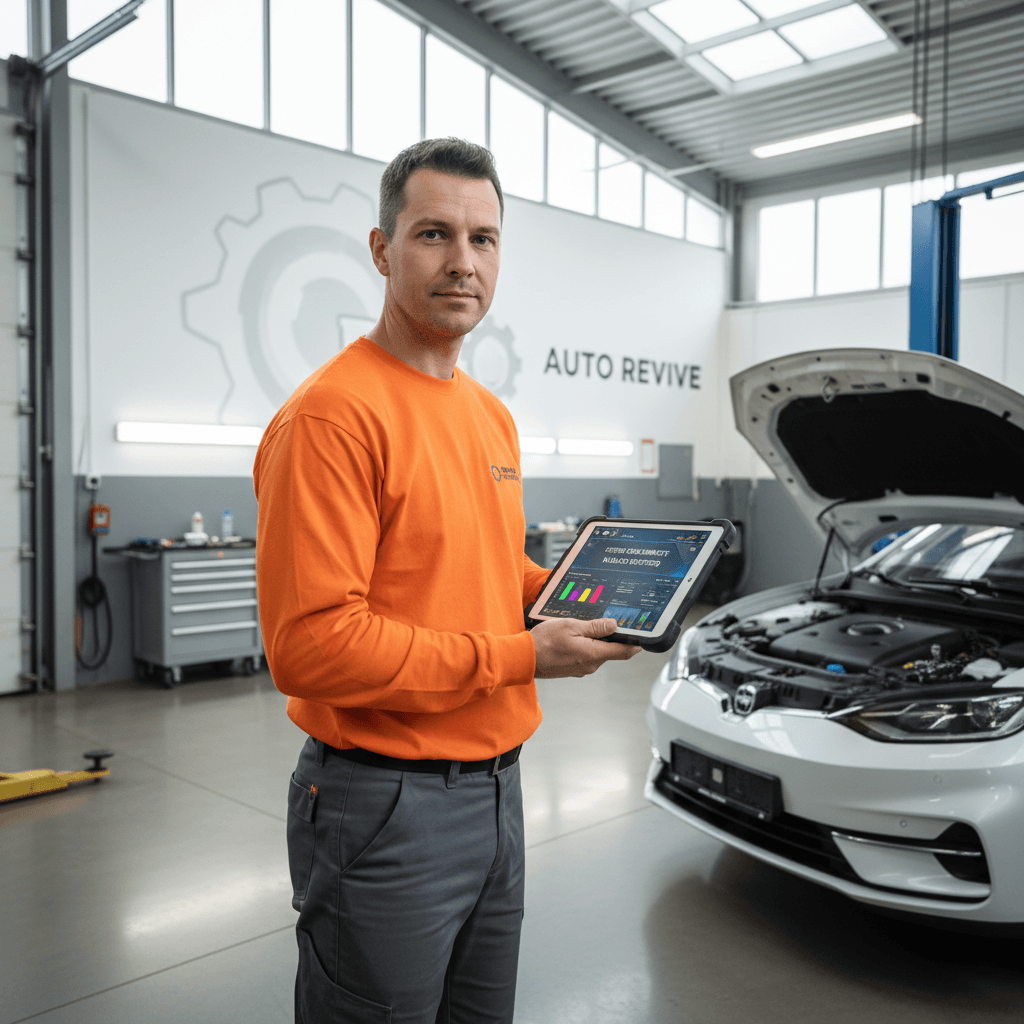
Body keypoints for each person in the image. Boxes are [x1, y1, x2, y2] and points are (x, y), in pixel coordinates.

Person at [254, 137, 641, 1024]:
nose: (462, 262)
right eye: (434, 234)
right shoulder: (331, 418)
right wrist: (519, 656)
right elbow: (312, 649)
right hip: (381, 805)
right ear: (383, 250)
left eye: (484, 238)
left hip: (499, 791)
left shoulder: (489, 416)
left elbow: (488, 568)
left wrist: (574, 591)